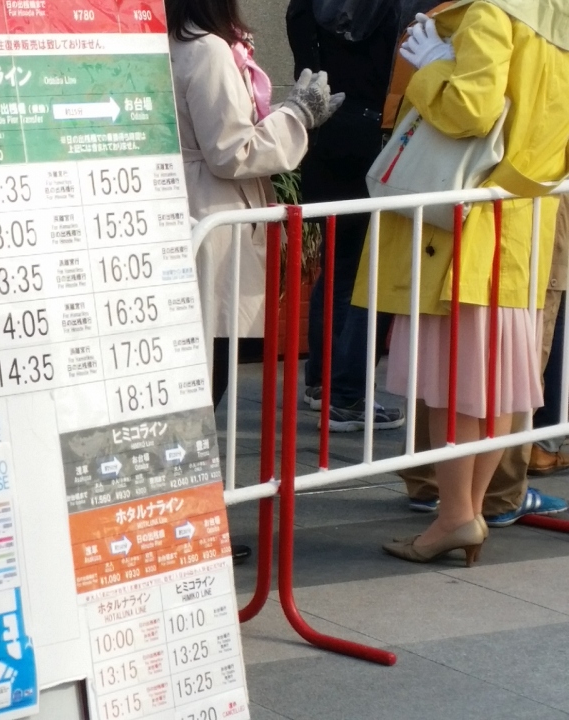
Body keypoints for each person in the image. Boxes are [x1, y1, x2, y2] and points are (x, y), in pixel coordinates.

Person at [360, 0, 569, 564]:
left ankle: (455, 515)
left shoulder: (491, 14)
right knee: (493, 384)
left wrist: (432, 70)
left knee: (456, 385)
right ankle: (468, 513)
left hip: (462, 226)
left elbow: (470, 110)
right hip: (522, 227)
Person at [166, 0, 343, 410]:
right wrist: (296, 116)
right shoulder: (208, 48)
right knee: (211, 357)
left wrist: (288, 114)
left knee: (190, 355)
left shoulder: (169, 41)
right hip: (213, 208)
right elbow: (232, 151)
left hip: (183, 201)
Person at [400, 201, 569, 526]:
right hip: (509, 226)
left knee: (444, 367)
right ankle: (493, 498)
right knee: (508, 372)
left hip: (450, 226)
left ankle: (438, 488)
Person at [287, 0, 405, 432]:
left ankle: (320, 383)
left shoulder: (305, 6)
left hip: (323, 131)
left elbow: (304, 63)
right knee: (360, 272)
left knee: (335, 266)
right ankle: (345, 395)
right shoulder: (390, 9)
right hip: (370, 133)